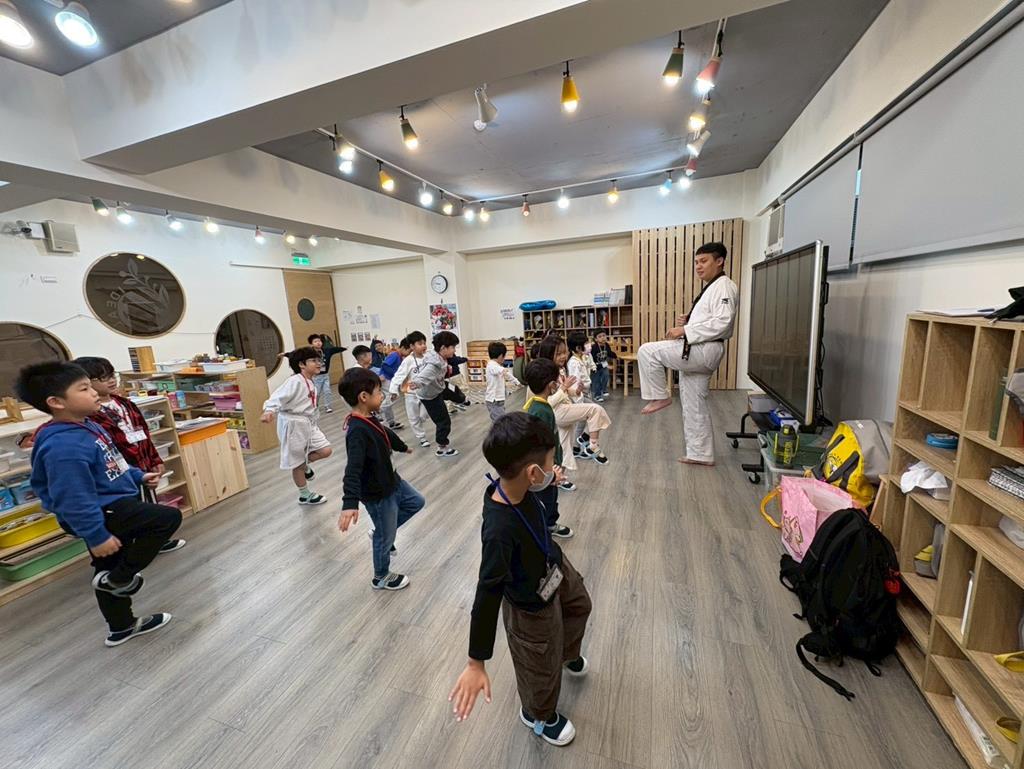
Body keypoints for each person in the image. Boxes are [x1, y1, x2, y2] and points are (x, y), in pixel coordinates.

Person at [448, 412, 591, 747]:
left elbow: (537, 504)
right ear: (532, 472)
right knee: (538, 661)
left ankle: (566, 654)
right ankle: (537, 714)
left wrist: (549, 482)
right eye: (551, 461)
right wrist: (475, 661)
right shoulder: (499, 530)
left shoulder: (520, 486)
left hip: (554, 566)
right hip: (529, 604)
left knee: (579, 605)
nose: (554, 466)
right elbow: (487, 592)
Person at [17, 362, 181, 647]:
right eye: (84, 388)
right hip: (99, 511)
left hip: (110, 504)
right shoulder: (63, 446)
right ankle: (121, 579)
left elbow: (114, 462)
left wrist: (138, 476)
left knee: (107, 565)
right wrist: (96, 535)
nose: (94, 392)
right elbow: (72, 498)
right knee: (166, 518)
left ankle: (121, 626)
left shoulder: (88, 425)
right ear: (56, 402)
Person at [637, 241, 739, 466]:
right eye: (696, 262)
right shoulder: (713, 286)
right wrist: (690, 321)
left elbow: (723, 322)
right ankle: (700, 453)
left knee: (647, 351)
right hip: (702, 348)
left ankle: (660, 396)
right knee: (694, 404)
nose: (698, 266)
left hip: (704, 350)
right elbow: (712, 319)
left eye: (703, 261)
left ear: (719, 261)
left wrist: (684, 330)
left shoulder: (724, 286)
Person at [73, 356, 185, 554]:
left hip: (142, 463)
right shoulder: (90, 414)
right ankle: (130, 548)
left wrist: (155, 459)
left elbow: (144, 433)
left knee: (149, 502)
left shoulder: (125, 403)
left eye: (112, 375)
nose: (111, 380)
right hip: (118, 471)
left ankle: (156, 541)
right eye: (103, 378)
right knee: (129, 508)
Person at [336, 367, 424, 591]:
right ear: (364, 397)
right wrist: (349, 503)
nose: (382, 395)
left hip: (393, 481)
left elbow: (384, 432)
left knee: (417, 502)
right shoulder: (357, 430)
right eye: (378, 392)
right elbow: (353, 469)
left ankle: (382, 532)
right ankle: (381, 576)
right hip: (378, 493)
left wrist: (401, 446)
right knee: (385, 537)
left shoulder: (369, 418)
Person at [261, 346, 333, 505]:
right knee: (297, 462)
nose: (319, 363)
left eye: (319, 360)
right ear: (301, 364)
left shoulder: (310, 381)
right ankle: (304, 494)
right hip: (293, 424)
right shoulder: (294, 381)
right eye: (313, 361)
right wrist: (269, 411)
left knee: (325, 450)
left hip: (308, 422)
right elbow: (277, 397)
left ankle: (304, 466)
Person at [535, 335, 611, 469]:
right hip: (559, 412)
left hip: (565, 408)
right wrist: (564, 388)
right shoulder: (544, 374)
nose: (563, 356)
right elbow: (547, 402)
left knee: (565, 451)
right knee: (595, 410)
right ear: (548, 354)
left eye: (564, 352)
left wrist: (576, 391)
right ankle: (592, 445)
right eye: (558, 354)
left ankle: (560, 475)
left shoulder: (560, 370)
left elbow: (565, 391)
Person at [523, 358, 575, 534]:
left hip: (547, 466)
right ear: (552, 384)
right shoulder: (541, 410)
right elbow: (540, 445)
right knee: (548, 498)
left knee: (549, 497)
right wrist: (550, 470)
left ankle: (546, 524)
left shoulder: (538, 405)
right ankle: (546, 527)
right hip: (545, 467)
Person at [409, 330, 468, 458]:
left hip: (439, 386)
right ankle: (442, 448)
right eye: (453, 347)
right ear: (443, 348)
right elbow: (424, 375)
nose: (454, 350)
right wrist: (416, 383)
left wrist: (447, 368)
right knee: (443, 421)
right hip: (431, 396)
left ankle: (462, 400)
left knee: (453, 389)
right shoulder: (433, 365)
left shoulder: (439, 356)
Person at [391, 331, 431, 449]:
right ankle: (422, 438)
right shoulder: (408, 360)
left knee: (424, 415)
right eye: (420, 343)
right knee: (413, 417)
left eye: (424, 343)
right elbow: (399, 376)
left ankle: (421, 422)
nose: (423, 346)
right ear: (412, 346)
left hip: (426, 393)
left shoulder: (429, 357)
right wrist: (393, 390)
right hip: (411, 394)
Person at [308, 334, 347, 414]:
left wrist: (344, 348)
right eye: (315, 341)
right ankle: (314, 406)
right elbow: (297, 354)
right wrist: (286, 354)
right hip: (316, 377)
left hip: (325, 375)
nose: (318, 343)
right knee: (317, 393)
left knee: (327, 391)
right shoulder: (309, 352)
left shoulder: (326, 350)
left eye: (319, 341)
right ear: (311, 344)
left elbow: (335, 349)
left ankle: (327, 406)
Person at [484, 341, 521, 422]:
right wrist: (502, 370)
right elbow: (495, 370)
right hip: (493, 400)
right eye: (504, 356)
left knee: (500, 419)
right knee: (499, 421)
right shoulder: (491, 365)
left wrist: (516, 381)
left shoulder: (497, 366)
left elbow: (507, 375)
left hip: (499, 399)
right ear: (501, 356)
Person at [590, 330, 616, 402]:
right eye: (600, 336)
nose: (603, 338)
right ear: (596, 339)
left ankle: (603, 389)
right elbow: (591, 359)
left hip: (603, 365)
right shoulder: (594, 347)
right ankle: (597, 395)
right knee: (596, 381)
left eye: (604, 335)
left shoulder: (606, 345)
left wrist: (615, 356)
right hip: (595, 366)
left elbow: (609, 353)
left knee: (606, 376)